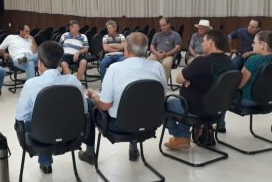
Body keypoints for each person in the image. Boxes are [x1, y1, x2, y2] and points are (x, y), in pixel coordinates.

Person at [81, 32, 166, 164]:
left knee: (89, 103)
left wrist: (93, 96)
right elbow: (161, 97)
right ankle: (133, 148)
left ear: (127, 49)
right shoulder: (158, 67)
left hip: (119, 126)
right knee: (139, 101)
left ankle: (90, 153)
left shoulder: (114, 69)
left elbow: (105, 106)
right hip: (150, 123)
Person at [15, 41, 90, 174]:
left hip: (40, 135)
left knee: (32, 121)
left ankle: (46, 163)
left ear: (40, 63)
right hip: (71, 133)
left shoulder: (31, 84)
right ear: (60, 62)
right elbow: (84, 111)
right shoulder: (73, 81)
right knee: (54, 117)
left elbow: (21, 116)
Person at [163, 29, 233, 149]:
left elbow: (179, 79)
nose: (202, 43)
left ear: (211, 43)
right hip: (217, 110)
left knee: (164, 103)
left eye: (204, 41)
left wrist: (187, 79)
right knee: (186, 100)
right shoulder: (230, 63)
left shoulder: (201, 62)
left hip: (196, 109)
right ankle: (185, 136)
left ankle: (181, 136)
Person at [217, 30, 272, 132]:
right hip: (269, 102)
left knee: (221, 91)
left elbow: (239, 85)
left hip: (249, 101)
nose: (252, 45)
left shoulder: (254, 59)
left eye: (254, 42)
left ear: (263, 45)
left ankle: (220, 126)